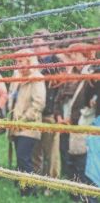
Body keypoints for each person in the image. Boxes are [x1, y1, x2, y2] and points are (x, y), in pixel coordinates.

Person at [53, 43, 97, 203]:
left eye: (75, 56)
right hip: (70, 126)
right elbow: (61, 99)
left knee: (84, 166)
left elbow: (87, 104)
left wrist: (73, 119)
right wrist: (60, 116)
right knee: (71, 162)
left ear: (86, 56)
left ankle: (85, 197)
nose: (72, 59)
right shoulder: (73, 76)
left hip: (85, 127)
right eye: (70, 56)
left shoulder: (91, 76)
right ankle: (76, 196)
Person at [8, 49, 46, 197]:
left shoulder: (37, 78)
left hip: (29, 126)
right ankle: (24, 189)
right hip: (16, 125)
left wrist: (23, 119)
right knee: (21, 158)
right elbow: (12, 99)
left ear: (29, 61)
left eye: (21, 61)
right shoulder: (16, 77)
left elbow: (39, 103)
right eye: (16, 61)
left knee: (24, 158)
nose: (18, 64)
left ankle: (31, 190)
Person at [31, 30, 62, 190]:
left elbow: (61, 88)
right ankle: (36, 182)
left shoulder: (57, 61)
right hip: (36, 114)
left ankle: (51, 186)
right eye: (33, 44)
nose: (34, 47)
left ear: (46, 43)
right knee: (36, 151)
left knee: (51, 152)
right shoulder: (34, 62)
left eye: (38, 44)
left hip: (51, 113)